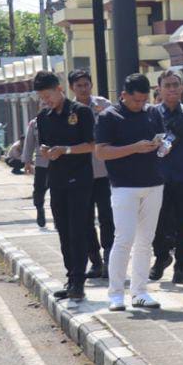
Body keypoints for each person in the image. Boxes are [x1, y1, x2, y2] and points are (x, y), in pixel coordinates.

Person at [95, 73, 167, 312]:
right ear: (123, 95)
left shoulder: (153, 113)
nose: (140, 105)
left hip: (153, 183)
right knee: (124, 239)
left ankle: (140, 291)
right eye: (136, 100)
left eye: (144, 100)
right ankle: (116, 294)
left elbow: (164, 137)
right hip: (124, 186)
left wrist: (163, 146)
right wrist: (134, 148)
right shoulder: (109, 117)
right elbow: (102, 152)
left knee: (145, 241)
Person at [34, 71, 95, 302]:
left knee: (78, 229)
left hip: (80, 179)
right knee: (63, 230)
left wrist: (65, 150)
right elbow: (44, 146)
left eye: (48, 95)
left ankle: (79, 280)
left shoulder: (81, 112)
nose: (46, 100)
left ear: (59, 88)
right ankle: (70, 277)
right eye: (42, 97)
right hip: (57, 179)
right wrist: (46, 151)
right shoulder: (44, 117)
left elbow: (92, 145)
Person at [149, 71, 183, 286]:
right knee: (158, 224)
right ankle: (161, 256)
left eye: (175, 85)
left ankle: (182, 267)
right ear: (160, 89)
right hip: (157, 179)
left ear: (181, 88)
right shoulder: (151, 114)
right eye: (167, 85)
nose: (172, 89)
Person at [69, 69, 114, 282]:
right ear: (72, 88)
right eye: (79, 86)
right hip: (79, 173)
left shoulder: (103, 105)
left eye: (86, 84)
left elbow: (117, 128)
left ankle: (109, 259)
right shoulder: (69, 110)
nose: (84, 89)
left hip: (104, 171)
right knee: (86, 219)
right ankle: (94, 260)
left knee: (107, 217)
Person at [21, 116, 49, 229]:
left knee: (59, 192)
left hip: (59, 163)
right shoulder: (34, 123)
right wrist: (27, 161)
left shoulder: (62, 118)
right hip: (41, 162)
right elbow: (29, 143)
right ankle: (40, 209)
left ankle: (59, 218)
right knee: (39, 190)